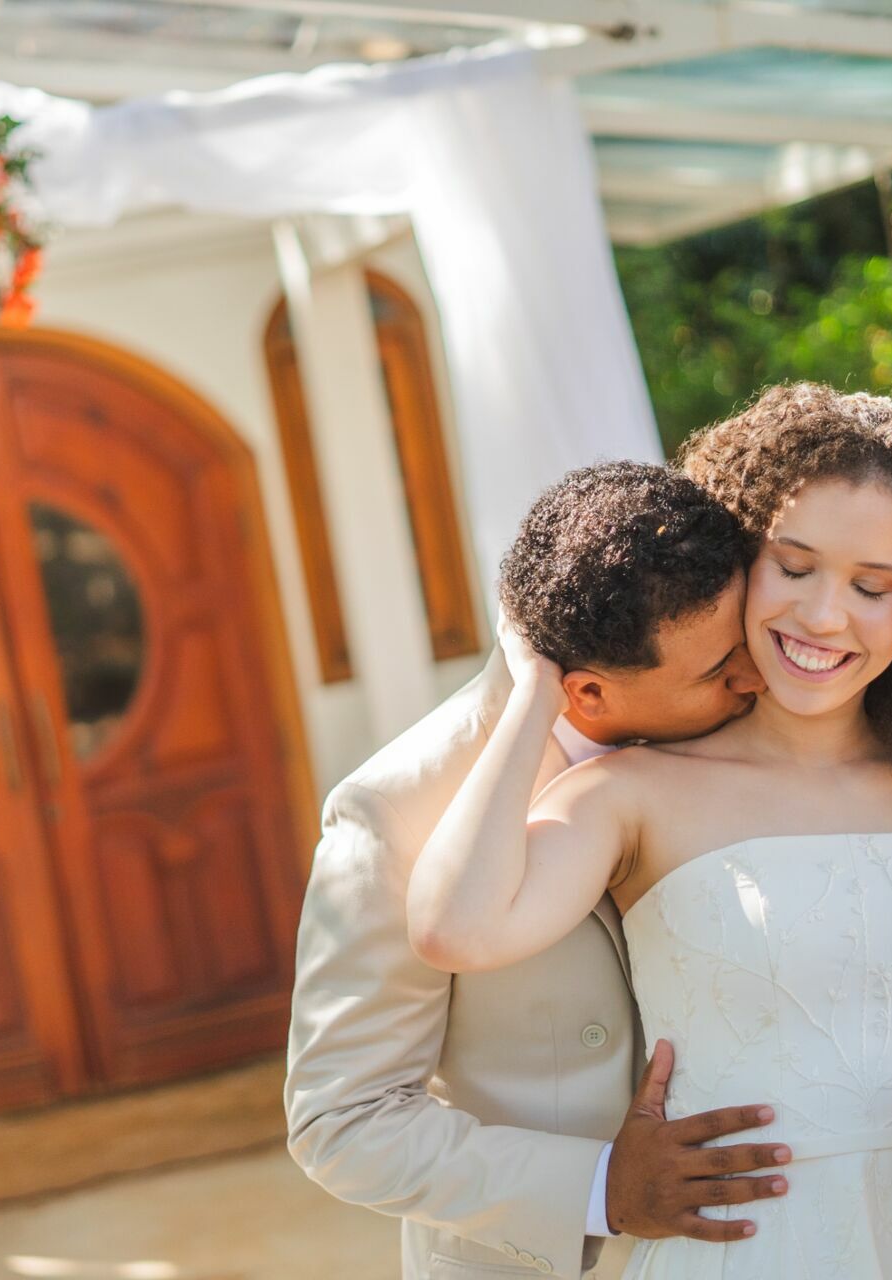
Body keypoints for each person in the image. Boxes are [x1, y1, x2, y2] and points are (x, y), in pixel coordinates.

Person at [408, 384, 892, 1278]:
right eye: (793, 567)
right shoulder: (633, 792)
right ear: (743, 561)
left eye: (872, 587)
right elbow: (456, 926)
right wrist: (536, 684)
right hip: (743, 1250)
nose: (823, 616)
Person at [287, 462, 794, 1280]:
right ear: (586, 693)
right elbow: (342, 1123)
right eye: (716, 669)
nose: (754, 675)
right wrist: (599, 1188)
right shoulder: (390, 816)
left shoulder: (762, 729)